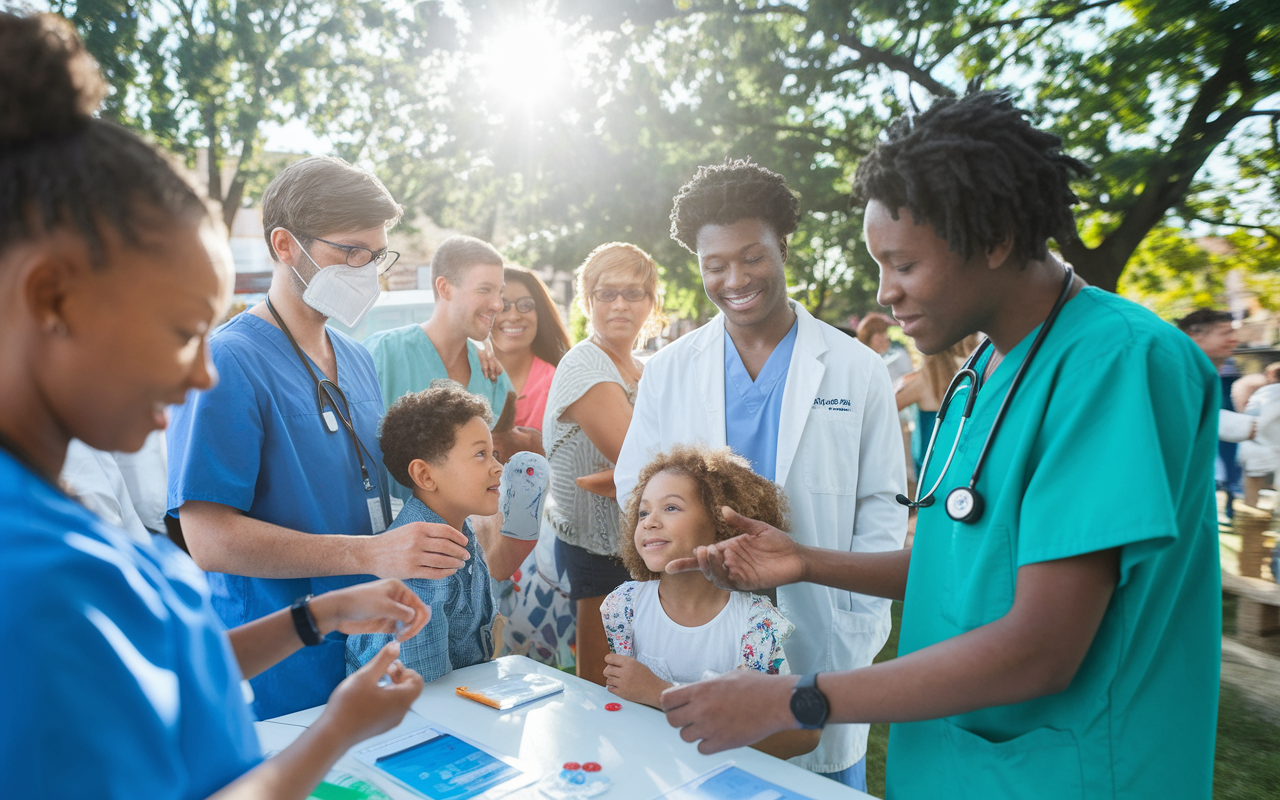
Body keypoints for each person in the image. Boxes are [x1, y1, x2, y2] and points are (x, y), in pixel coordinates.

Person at [659, 91, 1221, 800]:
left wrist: (795, 698)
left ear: (993, 239)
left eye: (903, 265)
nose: (885, 292)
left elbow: (1041, 650)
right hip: (959, 766)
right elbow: (967, 562)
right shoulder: (983, 371)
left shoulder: (1120, 363)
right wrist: (807, 561)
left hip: (1072, 774)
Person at [0, 13, 431, 797]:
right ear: (52, 297)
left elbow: (163, 664)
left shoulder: (60, 529)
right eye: (179, 332)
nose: (201, 376)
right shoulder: (40, 582)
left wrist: (317, 618)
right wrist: (336, 731)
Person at [615, 159, 906, 789]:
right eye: (714, 265)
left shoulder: (856, 369)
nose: (734, 279)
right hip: (701, 622)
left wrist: (857, 618)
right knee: (703, 774)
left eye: (752, 257)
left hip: (819, 617)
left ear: (782, 248)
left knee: (816, 775)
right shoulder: (669, 369)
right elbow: (635, 482)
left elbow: (882, 502)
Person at [168, 156, 471, 719]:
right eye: (349, 252)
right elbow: (207, 538)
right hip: (279, 671)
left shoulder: (354, 358)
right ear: (285, 245)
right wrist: (370, 553)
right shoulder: (230, 362)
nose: (365, 269)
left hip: (364, 652)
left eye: (375, 255)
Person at [600, 445, 819, 759]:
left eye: (671, 508)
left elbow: (798, 734)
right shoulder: (622, 608)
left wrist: (660, 693)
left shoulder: (755, 626)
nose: (649, 522)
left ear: (721, 523)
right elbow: (606, 706)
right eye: (643, 512)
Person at [544, 242, 662, 686]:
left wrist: (621, 478)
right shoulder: (584, 364)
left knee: (642, 674)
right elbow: (648, 461)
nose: (619, 304)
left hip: (640, 542)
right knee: (601, 682)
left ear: (652, 302)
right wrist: (629, 473)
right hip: (600, 545)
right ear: (587, 300)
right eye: (606, 293)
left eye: (634, 293)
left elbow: (656, 467)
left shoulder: (642, 367)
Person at [364, 235, 539, 502]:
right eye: (485, 290)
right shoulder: (383, 354)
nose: (498, 304)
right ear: (445, 288)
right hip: (390, 532)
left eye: (499, 292)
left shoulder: (492, 376)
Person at [348, 383, 503, 680]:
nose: (497, 466)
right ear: (425, 475)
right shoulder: (422, 564)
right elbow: (425, 690)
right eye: (481, 454)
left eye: (494, 452)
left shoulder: (459, 530)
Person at [489, 265, 577, 668]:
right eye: (503, 304)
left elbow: (576, 458)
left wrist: (532, 446)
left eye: (526, 305)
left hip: (546, 540)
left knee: (544, 659)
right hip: (481, 532)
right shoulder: (467, 373)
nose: (514, 315)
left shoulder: (562, 378)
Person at [1178, 308, 1249, 517]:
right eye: (1226, 333)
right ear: (1196, 334)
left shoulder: (1205, 374)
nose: (1234, 340)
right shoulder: (1178, 371)